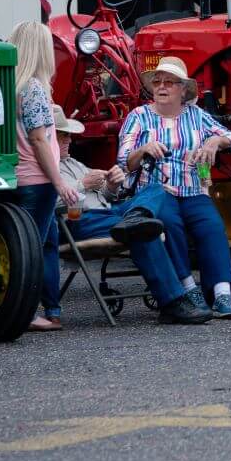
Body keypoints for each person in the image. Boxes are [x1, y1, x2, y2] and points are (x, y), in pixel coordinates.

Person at [54, 108, 209, 325]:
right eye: (63, 135)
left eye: (68, 135)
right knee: (143, 231)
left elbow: (105, 197)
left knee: (156, 188)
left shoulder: (73, 163)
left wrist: (111, 184)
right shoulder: (43, 168)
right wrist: (83, 184)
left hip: (107, 214)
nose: (69, 140)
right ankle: (173, 302)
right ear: (49, 137)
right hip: (78, 221)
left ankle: (136, 217)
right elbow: (49, 206)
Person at [118, 57, 231, 319]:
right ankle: (187, 289)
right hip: (157, 192)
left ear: (183, 90)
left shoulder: (196, 115)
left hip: (193, 190)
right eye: (157, 81)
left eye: (169, 82)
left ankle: (222, 294)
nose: (161, 86)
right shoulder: (139, 117)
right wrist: (143, 149)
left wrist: (214, 143)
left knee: (211, 226)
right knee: (170, 224)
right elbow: (124, 161)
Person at [8, 20, 77, 332]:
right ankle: (26, 312)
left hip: (20, 176)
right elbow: (38, 139)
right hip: (38, 180)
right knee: (32, 249)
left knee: (43, 244)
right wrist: (60, 181)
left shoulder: (11, 86)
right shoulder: (34, 89)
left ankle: (51, 308)